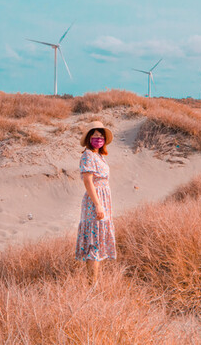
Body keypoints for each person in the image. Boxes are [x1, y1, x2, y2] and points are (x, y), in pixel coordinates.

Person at [75, 120, 116, 282]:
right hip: (95, 200)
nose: (99, 139)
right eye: (95, 136)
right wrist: (98, 204)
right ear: (89, 138)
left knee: (99, 241)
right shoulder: (88, 155)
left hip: (103, 199)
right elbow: (88, 181)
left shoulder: (99, 155)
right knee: (94, 243)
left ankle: (94, 281)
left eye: (101, 136)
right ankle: (92, 284)